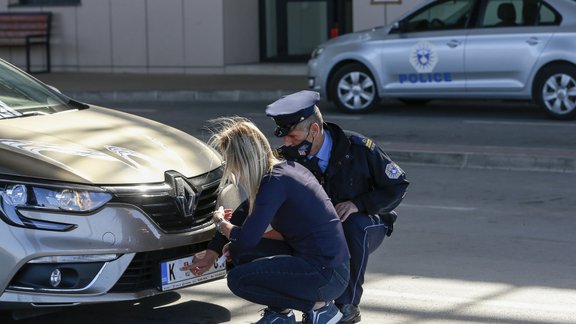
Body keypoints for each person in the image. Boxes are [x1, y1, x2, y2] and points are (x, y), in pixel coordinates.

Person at [188, 117, 350, 324]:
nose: (233, 172)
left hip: (326, 275)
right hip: (327, 267)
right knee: (239, 252)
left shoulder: (275, 182)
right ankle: (280, 315)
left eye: (231, 163)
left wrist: (221, 223)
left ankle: (320, 309)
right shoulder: (283, 171)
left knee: (238, 280)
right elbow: (242, 214)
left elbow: (247, 238)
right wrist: (213, 250)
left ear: (242, 160)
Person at [265, 90, 409, 324]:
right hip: (318, 227)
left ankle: (346, 305)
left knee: (353, 225)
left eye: (293, 136)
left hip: (366, 223)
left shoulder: (359, 148)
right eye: (285, 137)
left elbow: (398, 185)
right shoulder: (286, 157)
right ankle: (284, 307)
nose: (287, 143)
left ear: (314, 130)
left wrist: (358, 204)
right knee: (284, 231)